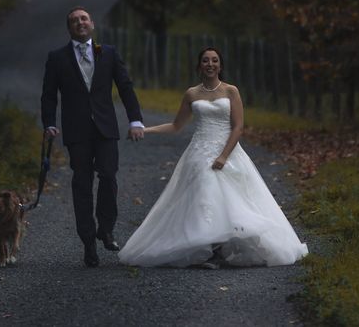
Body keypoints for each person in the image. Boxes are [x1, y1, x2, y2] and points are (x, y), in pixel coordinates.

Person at [118, 47, 308, 268]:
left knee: (232, 199)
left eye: (215, 61)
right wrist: (144, 130)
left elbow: (237, 127)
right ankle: (209, 250)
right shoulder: (191, 94)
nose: (210, 64)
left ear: (220, 66)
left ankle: (222, 247)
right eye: (206, 61)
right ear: (199, 66)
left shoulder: (231, 91)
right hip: (199, 151)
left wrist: (223, 156)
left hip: (227, 150)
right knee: (205, 197)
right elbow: (176, 125)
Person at [41, 6, 144, 267]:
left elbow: (125, 87)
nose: (80, 22)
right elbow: (49, 94)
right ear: (70, 28)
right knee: (82, 184)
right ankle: (88, 241)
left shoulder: (108, 53)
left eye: (84, 18)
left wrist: (135, 120)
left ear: (92, 24)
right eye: (74, 20)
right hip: (77, 132)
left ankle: (105, 229)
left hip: (106, 128)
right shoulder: (57, 58)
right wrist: (49, 123)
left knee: (109, 175)